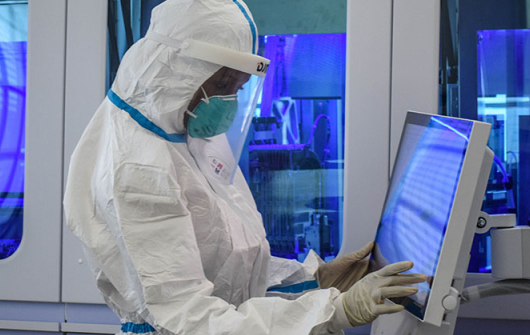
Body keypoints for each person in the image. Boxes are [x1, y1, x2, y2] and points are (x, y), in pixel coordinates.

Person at [63, 0, 424, 334]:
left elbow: (229, 268)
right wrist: (335, 311)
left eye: (238, 87)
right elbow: (190, 316)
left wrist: (314, 280)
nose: (227, 101)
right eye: (222, 83)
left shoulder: (188, 133)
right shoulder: (138, 169)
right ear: (178, 71)